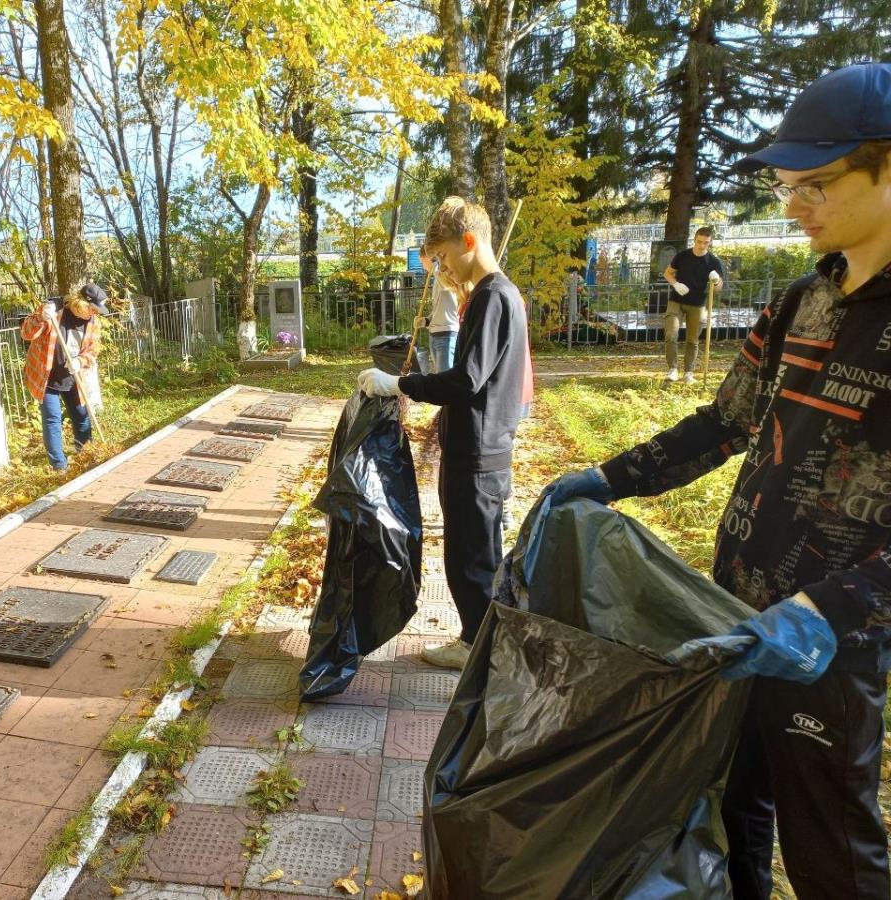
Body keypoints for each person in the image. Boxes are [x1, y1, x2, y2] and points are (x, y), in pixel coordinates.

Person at [544, 63, 891, 899]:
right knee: (732, 812)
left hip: (825, 652)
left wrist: (825, 613)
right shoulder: (804, 300)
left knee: (832, 851)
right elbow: (724, 424)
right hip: (734, 621)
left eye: (816, 182)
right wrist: (608, 477)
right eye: (783, 184)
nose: (792, 203)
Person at [357, 197, 527, 670]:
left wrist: (400, 384)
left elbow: (466, 379)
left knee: (469, 560)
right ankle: (483, 640)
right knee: (478, 555)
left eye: (446, 259)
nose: (446, 271)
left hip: (477, 455)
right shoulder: (497, 295)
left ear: (469, 241)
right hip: (484, 449)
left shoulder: (492, 296)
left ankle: (477, 648)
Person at [22, 283, 109, 472]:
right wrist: (40, 317)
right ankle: (59, 466)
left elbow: (93, 350)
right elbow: (26, 333)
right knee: (53, 418)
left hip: (73, 376)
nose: (94, 313)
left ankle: (85, 454)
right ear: (82, 303)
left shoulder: (93, 322)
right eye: (92, 308)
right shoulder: (54, 310)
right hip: (46, 375)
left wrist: (81, 360)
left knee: (81, 416)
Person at [662, 226, 724, 384]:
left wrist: (716, 280)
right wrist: (675, 284)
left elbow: (718, 288)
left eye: (706, 243)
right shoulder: (682, 256)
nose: (702, 245)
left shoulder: (714, 262)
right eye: (699, 241)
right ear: (694, 239)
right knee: (671, 334)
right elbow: (667, 273)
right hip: (676, 300)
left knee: (693, 340)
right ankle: (673, 370)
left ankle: (688, 372)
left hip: (698, 304)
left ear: (710, 243)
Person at [416, 254, 461, 374]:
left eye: (422, 262)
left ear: (427, 257)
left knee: (445, 378)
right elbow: (440, 309)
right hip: (435, 333)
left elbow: (447, 284)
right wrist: (426, 321)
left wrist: (435, 264)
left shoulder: (443, 274)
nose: (422, 266)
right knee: (439, 376)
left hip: (446, 334)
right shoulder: (436, 278)